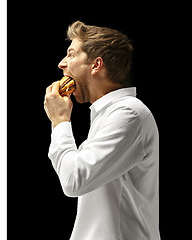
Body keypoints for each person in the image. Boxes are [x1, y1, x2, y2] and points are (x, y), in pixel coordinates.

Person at [44, 21, 159, 239]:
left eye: (71, 54)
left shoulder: (129, 114)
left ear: (96, 65)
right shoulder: (107, 115)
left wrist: (60, 120)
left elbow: (74, 180)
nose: (61, 64)